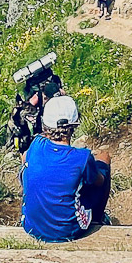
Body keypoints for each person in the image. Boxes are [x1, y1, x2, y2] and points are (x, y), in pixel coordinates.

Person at [21, 95, 111, 242]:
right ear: (74, 125)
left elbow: (24, 158)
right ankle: (97, 218)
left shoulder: (36, 144)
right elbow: (99, 182)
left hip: (31, 226)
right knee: (103, 163)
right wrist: (100, 162)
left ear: (45, 125)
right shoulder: (82, 157)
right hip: (68, 231)